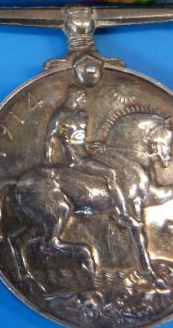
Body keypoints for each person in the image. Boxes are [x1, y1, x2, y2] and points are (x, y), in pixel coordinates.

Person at [45, 85, 141, 229]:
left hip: (85, 154)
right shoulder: (60, 115)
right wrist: (48, 162)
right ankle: (123, 214)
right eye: (82, 97)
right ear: (74, 97)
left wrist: (93, 146)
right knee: (111, 173)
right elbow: (49, 139)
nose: (84, 100)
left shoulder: (82, 115)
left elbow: (80, 142)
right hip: (76, 160)